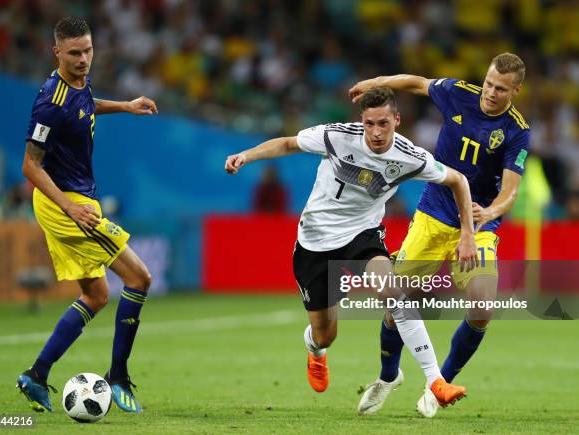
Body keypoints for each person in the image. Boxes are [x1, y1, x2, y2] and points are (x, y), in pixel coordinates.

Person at [225, 87, 478, 412]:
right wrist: (246, 155)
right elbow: (288, 143)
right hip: (315, 243)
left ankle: (435, 381)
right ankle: (315, 350)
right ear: (362, 120)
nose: (376, 132)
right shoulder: (336, 137)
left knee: (394, 293)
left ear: (397, 120)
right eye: (370, 123)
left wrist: (468, 232)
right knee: (325, 334)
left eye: (383, 123)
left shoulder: (410, 157)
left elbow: (458, 180)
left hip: (363, 237)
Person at [349, 53, 530, 417]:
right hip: (435, 212)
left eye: (501, 89)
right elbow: (416, 82)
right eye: (490, 83)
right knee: (397, 303)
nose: (491, 93)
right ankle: (388, 377)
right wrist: (375, 82)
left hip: (478, 223)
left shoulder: (517, 130)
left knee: (482, 307)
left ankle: (439, 384)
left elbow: (510, 191)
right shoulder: (458, 92)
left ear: (516, 90)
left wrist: (489, 212)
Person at [16, 17, 158, 414]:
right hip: (66, 206)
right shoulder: (50, 101)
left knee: (95, 295)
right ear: (56, 52)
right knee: (139, 278)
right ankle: (117, 377)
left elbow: (86, 106)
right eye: (74, 53)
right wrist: (70, 207)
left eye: (88, 50)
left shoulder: (78, 84)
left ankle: (36, 375)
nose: (83, 59)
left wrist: (125, 106)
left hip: (79, 201)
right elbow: (30, 165)